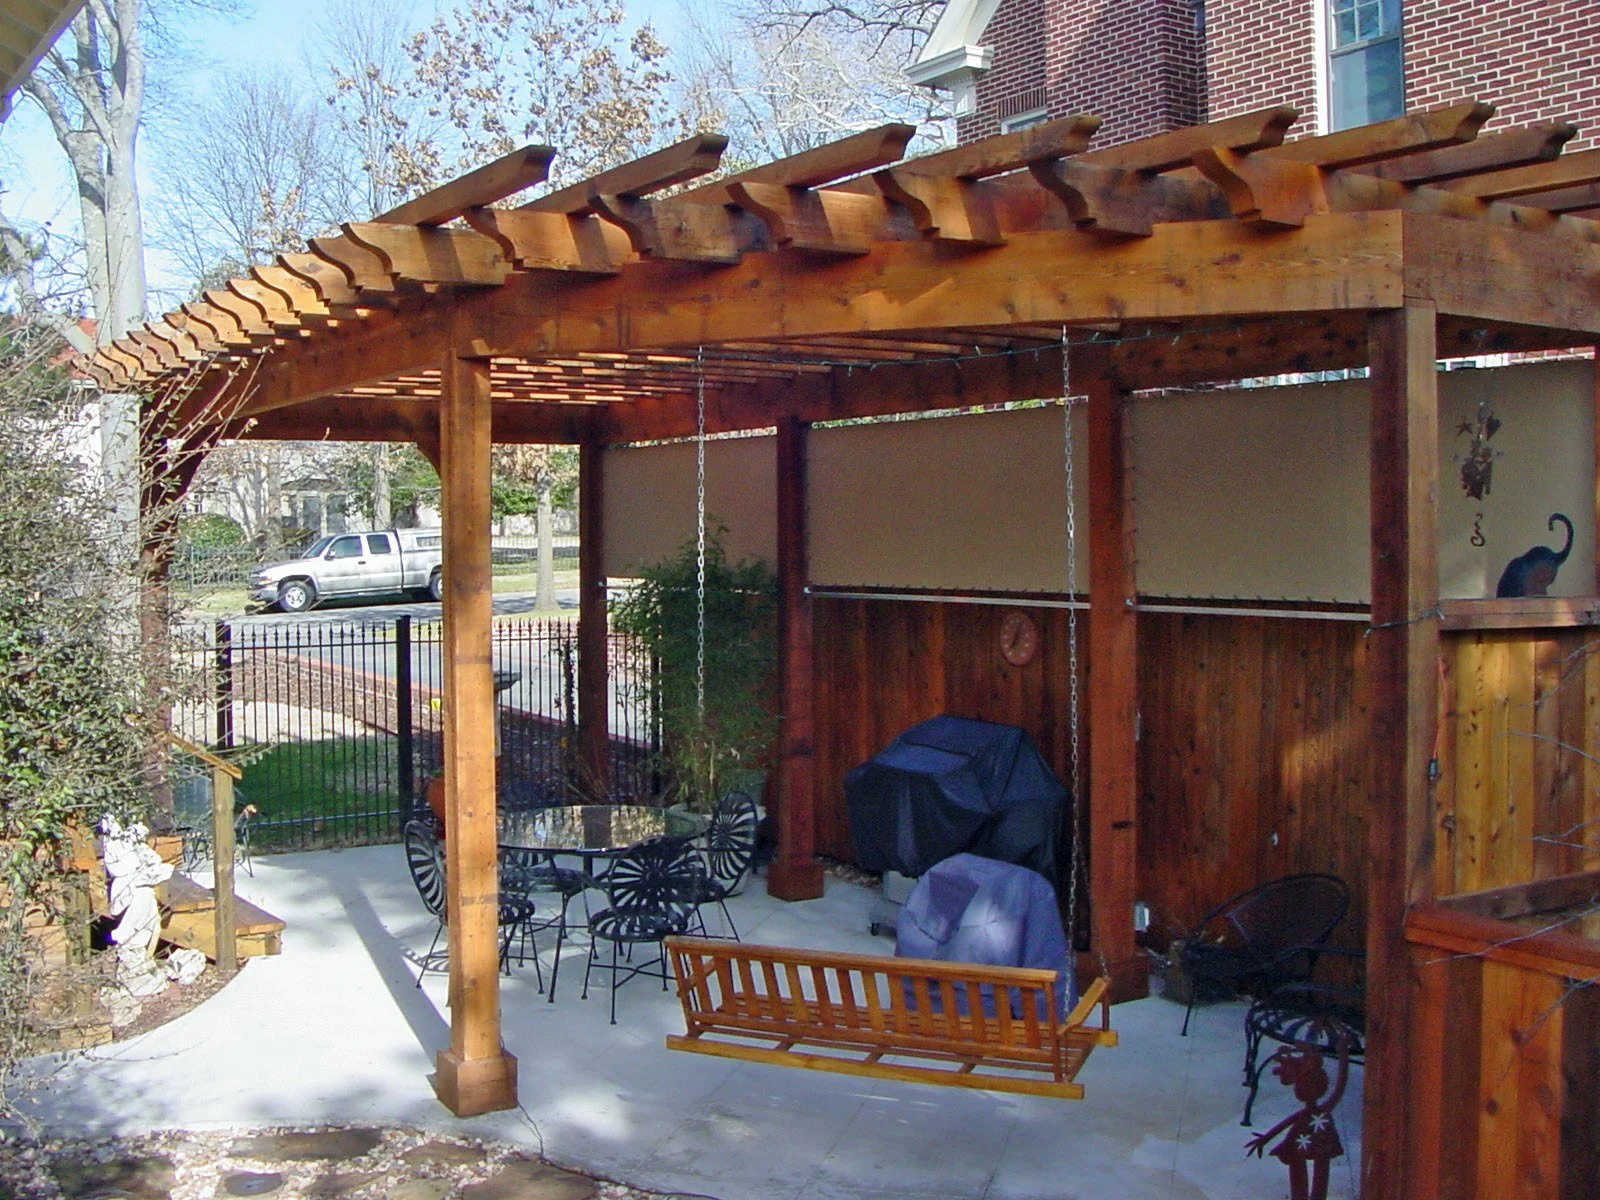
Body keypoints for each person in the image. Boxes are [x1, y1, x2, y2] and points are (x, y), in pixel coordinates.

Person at [1245, 1032, 1350, 1200]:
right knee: (1308, 1163)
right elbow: (1339, 1087)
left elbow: (1340, 1086)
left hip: (1313, 1139)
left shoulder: (1320, 1111)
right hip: (1307, 1138)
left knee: (1316, 1163)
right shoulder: (1320, 1111)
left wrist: (1343, 1054)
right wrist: (1265, 1139)